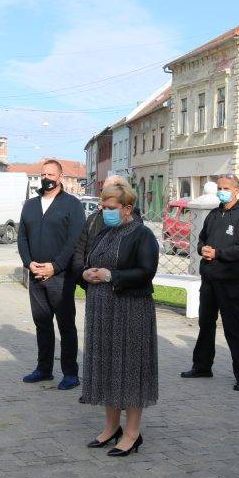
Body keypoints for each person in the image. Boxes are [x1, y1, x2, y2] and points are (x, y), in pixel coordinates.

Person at [73, 183, 158, 456]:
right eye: (103, 207)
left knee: (130, 369)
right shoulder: (104, 232)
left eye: (111, 208)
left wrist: (112, 276)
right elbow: (88, 260)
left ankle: (132, 432)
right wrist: (85, 274)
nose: (105, 212)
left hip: (131, 311)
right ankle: (111, 427)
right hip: (102, 311)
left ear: (127, 209)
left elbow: (146, 271)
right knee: (108, 366)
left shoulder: (142, 235)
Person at [181, 174, 239, 391]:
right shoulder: (215, 213)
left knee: (234, 327)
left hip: (230, 280)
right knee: (205, 324)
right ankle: (202, 366)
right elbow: (202, 238)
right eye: (220, 188)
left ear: (237, 190)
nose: (222, 191)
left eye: (226, 188)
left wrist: (218, 253)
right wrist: (202, 249)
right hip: (209, 279)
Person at [18, 159, 87, 390]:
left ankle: (70, 373)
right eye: (43, 173)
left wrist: (55, 267)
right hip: (36, 275)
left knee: (66, 325)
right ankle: (44, 369)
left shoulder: (72, 205)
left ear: (60, 177)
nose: (46, 177)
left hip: (61, 277)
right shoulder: (30, 205)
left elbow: (74, 241)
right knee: (42, 323)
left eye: (51, 174)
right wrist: (29, 264)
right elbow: (22, 238)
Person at [72, 174, 136, 272]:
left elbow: (143, 269)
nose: (104, 194)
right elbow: (79, 250)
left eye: (109, 190)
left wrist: (111, 277)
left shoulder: (137, 227)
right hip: (90, 281)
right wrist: (82, 274)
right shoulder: (93, 219)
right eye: (102, 190)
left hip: (119, 284)